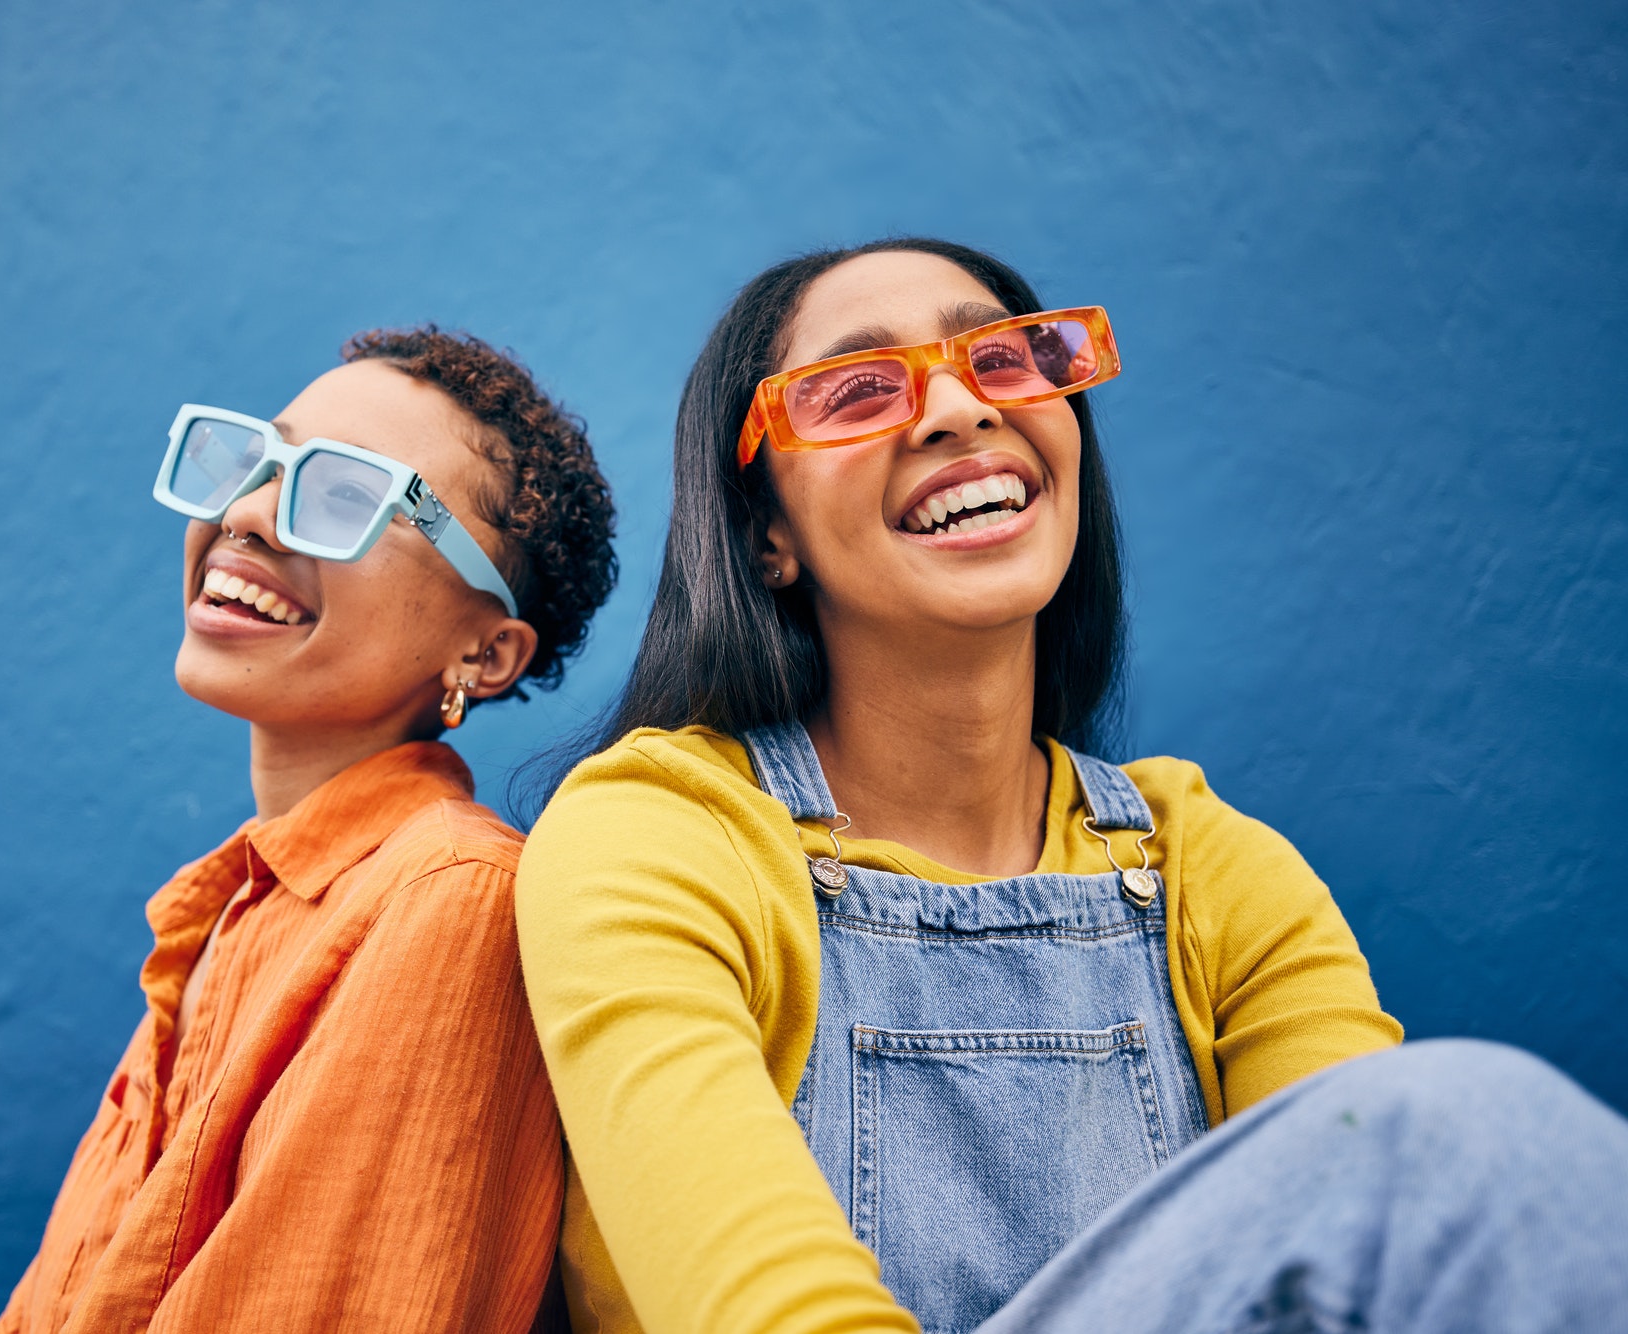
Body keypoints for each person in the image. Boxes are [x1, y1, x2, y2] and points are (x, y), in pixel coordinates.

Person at [514, 239, 1628, 1333]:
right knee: (1465, 1124)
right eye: (856, 390)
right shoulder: (657, 836)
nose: (958, 409)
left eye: (1004, 360)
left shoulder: (1211, 865)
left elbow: (1378, 1252)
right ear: (766, 536)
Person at [0, 327, 616, 1333]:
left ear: (486, 650)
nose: (244, 514)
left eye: (343, 497)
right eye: (253, 465)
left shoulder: (449, 900)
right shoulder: (231, 913)